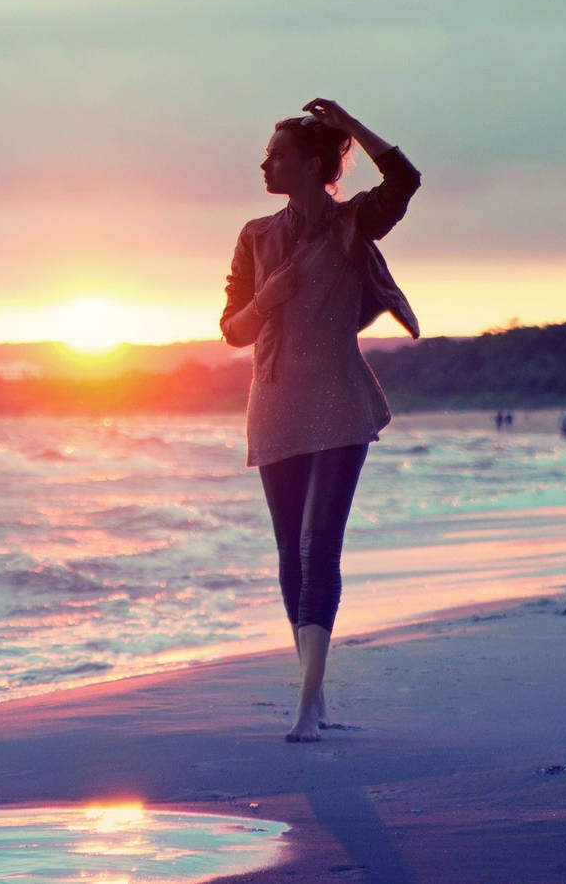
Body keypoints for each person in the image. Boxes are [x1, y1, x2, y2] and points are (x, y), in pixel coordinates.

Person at [220, 97, 419, 743]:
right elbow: (231, 332)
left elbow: (405, 180)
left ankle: (306, 703)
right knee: (289, 555)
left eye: (275, 155)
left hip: (338, 400)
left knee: (317, 545)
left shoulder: (353, 223)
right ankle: (316, 689)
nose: (264, 164)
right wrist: (265, 299)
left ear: (310, 164)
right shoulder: (255, 234)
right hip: (273, 402)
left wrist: (351, 124)